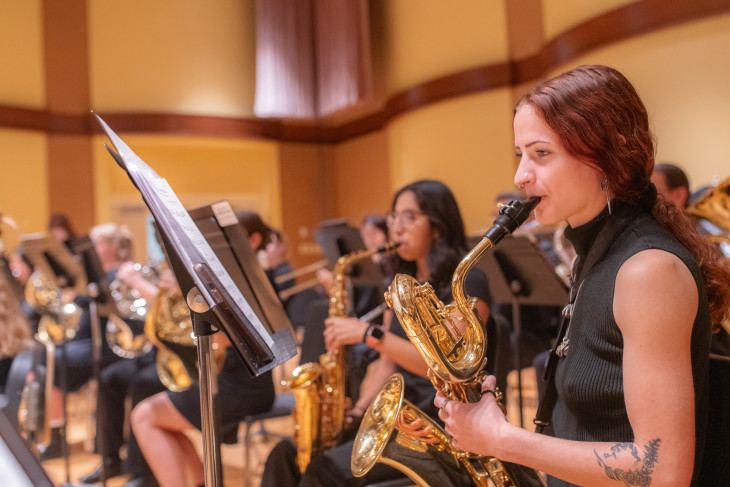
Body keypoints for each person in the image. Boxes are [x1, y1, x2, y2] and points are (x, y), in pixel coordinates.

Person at [437, 65, 730, 487]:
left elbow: (664, 472)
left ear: (609, 154)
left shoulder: (648, 272)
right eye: (520, 155)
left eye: (541, 154)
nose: (521, 176)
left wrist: (501, 438)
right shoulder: (594, 255)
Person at [260, 179, 492, 487]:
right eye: (395, 216)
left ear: (438, 226)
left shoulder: (468, 284)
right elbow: (386, 366)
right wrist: (357, 412)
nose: (397, 227)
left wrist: (370, 334)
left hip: (438, 424)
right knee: (287, 453)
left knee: (324, 471)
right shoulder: (400, 286)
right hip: (393, 416)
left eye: (410, 217)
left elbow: (447, 370)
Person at [130, 210, 282, 487]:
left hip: (243, 387)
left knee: (144, 415)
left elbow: (225, 339)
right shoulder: (239, 277)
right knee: (158, 421)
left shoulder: (246, 280)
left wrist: (186, 293)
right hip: (231, 380)